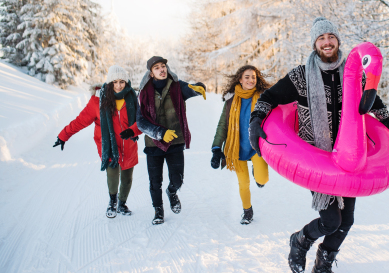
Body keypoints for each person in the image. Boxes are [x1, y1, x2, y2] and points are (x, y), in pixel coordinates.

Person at [249, 17, 389, 273]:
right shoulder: (300, 76)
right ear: (315, 44)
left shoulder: (355, 74)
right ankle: (301, 239)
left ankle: (322, 268)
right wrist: (256, 121)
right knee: (331, 220)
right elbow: (268, 98)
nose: (327, 42)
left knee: (347, 219)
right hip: (317, 158)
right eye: (321, 38)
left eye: (331, 36)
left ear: (337, 40)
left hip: (351, 155)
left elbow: (375, 103)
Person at [54, 65, 142, 218]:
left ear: (126, 82)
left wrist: (134, 131)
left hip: (129, 145)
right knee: (112, 176)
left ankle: (122, 203)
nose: (119, 85)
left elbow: (140, 123)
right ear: (109, 83)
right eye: (115, 82)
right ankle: (113, 201)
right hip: (108, 147)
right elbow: (80, 121)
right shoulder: (97, 102)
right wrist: (63, 135)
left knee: (127, 180)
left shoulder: (132, 99)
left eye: (122, 82)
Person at [136, 56, 207, 225]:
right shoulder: (143, 93)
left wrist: (199, 88)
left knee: (178, 179)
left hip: (175, 141)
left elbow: (190, 89)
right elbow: (140, 122)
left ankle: (172, 192)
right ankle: (158, 211)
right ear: (151, 73)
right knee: (155, 181)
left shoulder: (177, 86)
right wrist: (159, 133)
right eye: (157, 68)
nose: (162, 70)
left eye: (163, 66)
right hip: (154, 143)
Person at [211, 65, 271, 225]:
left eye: (253, 77)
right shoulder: (231, 101)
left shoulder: (264, 98)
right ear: (240, 79)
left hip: (257, 147)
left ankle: (257, 173)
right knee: (243, 184)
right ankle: (247, 211)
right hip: (236, 148)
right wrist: (216, 148)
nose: (251, 80)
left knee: (263, 179)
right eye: (247, 77)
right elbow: (222, 125)